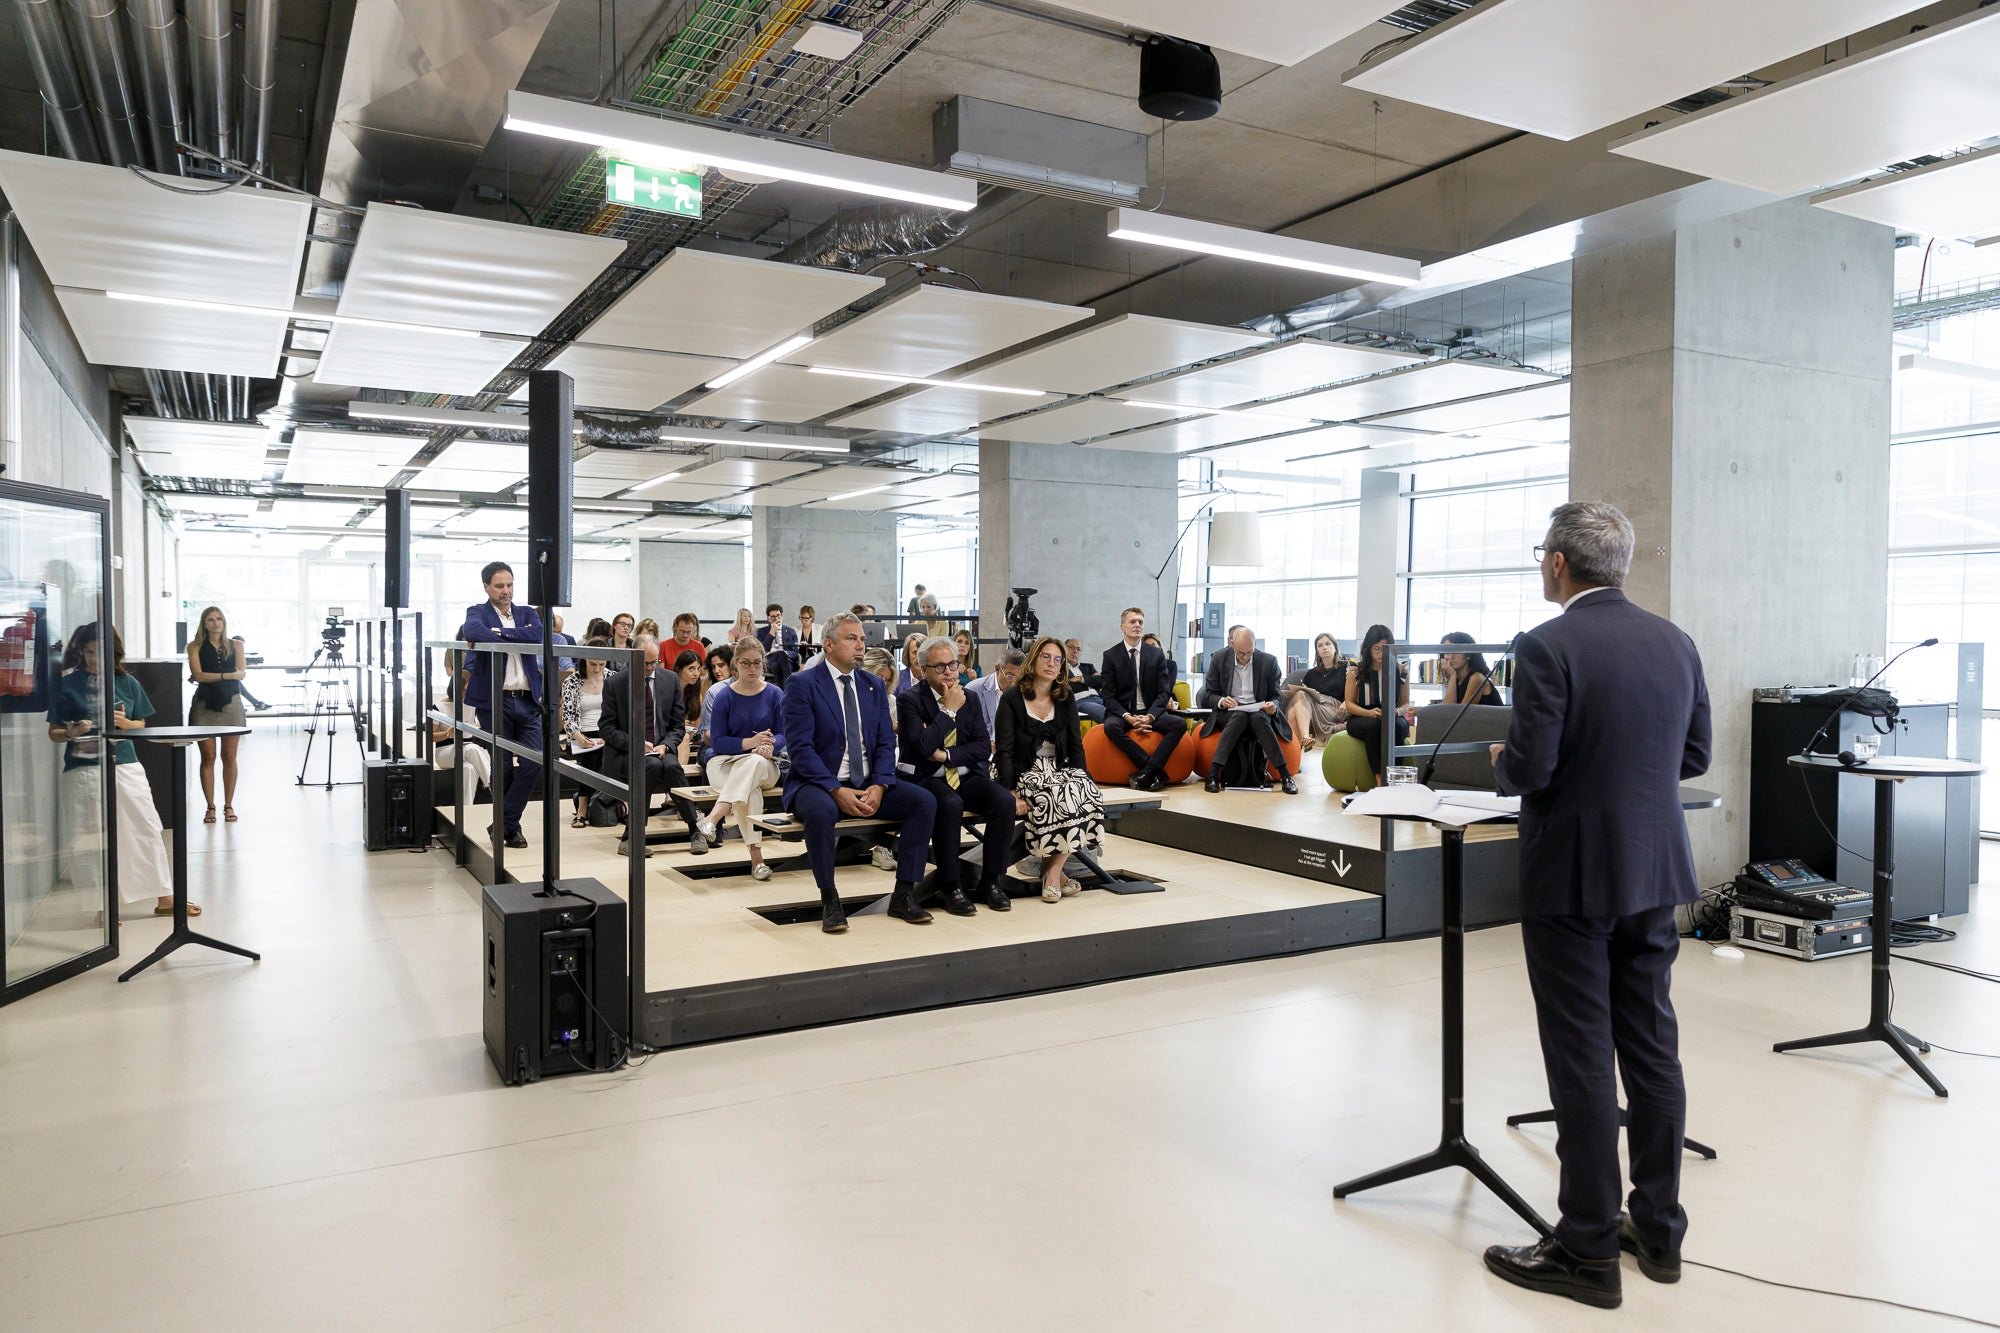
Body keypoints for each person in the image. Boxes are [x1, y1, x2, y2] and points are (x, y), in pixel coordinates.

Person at [1481, 501, 1711, 1310]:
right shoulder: (1673, 641)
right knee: (1652, 1047)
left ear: (1557, 564)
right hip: (1654, 872)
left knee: (1580, 1055)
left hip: (1573, 876)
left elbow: (1533, 766)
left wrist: (1501, 760)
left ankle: (1584, 1246)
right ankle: (1658, 1228)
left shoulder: (1547, 644)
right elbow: (1695, 752)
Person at [781, 611, 938, 934]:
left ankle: (904, 894)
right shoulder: (803, 684)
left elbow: (884, 741)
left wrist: (880, 785)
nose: (860, 646)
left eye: (863, 639)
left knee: (924, 802)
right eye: (851, 639)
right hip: (818, 783)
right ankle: (830, 899)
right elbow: (800, 750)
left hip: (868, 782)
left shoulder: (871, 685)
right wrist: (834, 789)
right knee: (823, 812)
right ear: (828, 644)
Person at [49, 623, 179, 917]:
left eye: (101, 652)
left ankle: (165, 897)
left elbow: (141, 724)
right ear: (80, 652)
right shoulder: (68, 684)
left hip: (125, 763)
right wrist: (71, 733)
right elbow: (54, 732)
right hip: (83, 767)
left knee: (145, 826)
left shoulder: (127, 682)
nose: (94, 659)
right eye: (89, 652)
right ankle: (102, 907)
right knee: (90, 836)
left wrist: (125, 724)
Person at [899, 635, 1014, 913]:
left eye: (952, 664)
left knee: (1004, 801)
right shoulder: (909, 700)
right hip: (927, 776)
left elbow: (981, 746)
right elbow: (922, 747)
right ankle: (951, 885)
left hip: (963, 773)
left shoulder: (970, 698)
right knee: (950, 804)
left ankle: (991, 882)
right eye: (939, 667)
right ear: (923, 669)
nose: (948, 672)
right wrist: (948, 710)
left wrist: (947, 754)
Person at [996, 635, 1103, 902]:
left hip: (1056, 767)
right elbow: (1005, 749)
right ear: (1034, 660)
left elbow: (1076, 745)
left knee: (1082, 790)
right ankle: (1055, 874)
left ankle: (1052, 870)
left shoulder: (1065, 697)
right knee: (1054, 794)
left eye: (1058, 659)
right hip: (1020, 769)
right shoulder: (1012, 698)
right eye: (1046, 657)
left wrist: (1084, 778)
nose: (1052, 664)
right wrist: (1010, 790)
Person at [458, 562, 543, 848]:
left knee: (534, 763)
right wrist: (507, 634)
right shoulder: (476, 612)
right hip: (495, 701)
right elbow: (472, 630)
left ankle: (503, 823)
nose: (506, 591)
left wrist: (499, 634)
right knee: (503, 765)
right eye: (499, 586)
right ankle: (513, 828)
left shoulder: (527, 613)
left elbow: (537, 635)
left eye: (509, 585)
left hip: (528, 701)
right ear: (486, 587)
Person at [600, 633, 708, 857]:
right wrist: (636, 744)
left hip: (660, 748)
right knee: (651, 767)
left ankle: (693, 830)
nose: (650, 667)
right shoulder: (615, 683)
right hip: (628, 751)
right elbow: (607, 729)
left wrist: (666, 746)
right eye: (645, 663)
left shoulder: (669, 680)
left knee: (671, 766)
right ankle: (632, 836)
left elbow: (678, 726)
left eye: (655, 662)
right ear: (633, 657)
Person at [698, 637, 784, 881]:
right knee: (750, 791)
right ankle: (757, 860)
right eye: (746, 663)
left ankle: (714, 816)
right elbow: (717, 741)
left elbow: (784, 733)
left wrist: (770, 746)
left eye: (757, 663)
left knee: (754, 764)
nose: (752, 669)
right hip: (725, 762)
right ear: (735, 664)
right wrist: (751, 743)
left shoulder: (774, 693)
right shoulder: (724, 696)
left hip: (765, 763)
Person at [1198, 624, 1297, 794]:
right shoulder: (1219, 658)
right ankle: (1213, 774)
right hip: (1229, 712)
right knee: (1239, 716)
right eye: (1240, 653)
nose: (1244, 657)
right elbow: (1210, 694)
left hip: (1259, 711)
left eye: (1249, 653)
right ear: (1232, 644)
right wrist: (1222, 700)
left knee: (1258, 718)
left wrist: (1273, 705)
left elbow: (1276, 695)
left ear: (1255, 644)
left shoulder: (1268, 661)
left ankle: (1285, 775)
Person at [1096, 607, 1186, 792]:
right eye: (1132, 622)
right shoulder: (1111, 655)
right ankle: (1154, 770)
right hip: (1123, 712)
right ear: (1122, 627)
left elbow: (1163, 692)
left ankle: (1148, 772)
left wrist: (1150, 717)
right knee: (1111, 727)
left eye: (1140, 622)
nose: (1137, 625)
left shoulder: (1156, 654)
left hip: (1150, 711)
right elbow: (1108, 696)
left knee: (1179, 724)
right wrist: (1128, 717)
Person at [186, 605, 248, 823]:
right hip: (204, 705)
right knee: (208, 757)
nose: (216, 623)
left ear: (224, 622)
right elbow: (198, 675)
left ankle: (228, 805)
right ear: (204, 623)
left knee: (229, 756)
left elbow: (241, 674)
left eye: (219, 618)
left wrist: (223, 676)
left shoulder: (236, 645)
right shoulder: (194, 646)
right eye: (211, 619)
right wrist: (226, 675)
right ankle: (210, 807)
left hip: (232, 703)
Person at [1344, 624, 1412, 780]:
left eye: (1385, 648)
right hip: (1361, 716)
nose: (1381, 653)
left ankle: (1395, 776)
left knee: (1396, 727)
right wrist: (1368, 713)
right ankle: (1380, 778)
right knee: (1375, 727)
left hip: (1391, 715)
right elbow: (1349, 704)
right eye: (1376, 649)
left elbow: (1405, 703)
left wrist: (1397, 712)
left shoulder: (1401, 670)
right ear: (1368, 648)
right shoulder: (1355, 670)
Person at [860, 645, 905, 872]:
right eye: (880, 677)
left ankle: (883, 844)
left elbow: (893, 735)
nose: (884, 684)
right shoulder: (854, 696)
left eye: (888, 680)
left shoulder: (890, 700)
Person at [561, 635, 609, 828]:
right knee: (591, 759)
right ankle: (582, 809)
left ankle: (614, 803)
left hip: (608, 731)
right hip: (584, 733)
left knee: (612, 755)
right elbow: (568, 716)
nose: (597, 669)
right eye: (592, 664)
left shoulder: (613, 678)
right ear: (584, 660)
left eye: (601, 664)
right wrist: (578, 736)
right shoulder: (572, 682)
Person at [1286, 633, 1349, 752]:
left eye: (1327, 644)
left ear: (1335, 647)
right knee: (1293, 713)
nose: (1324, 648)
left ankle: (1302, 743)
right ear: (1317, 651)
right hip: (1316, 705)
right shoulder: (1311, 674)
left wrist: (1347, 701)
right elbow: (1306, 697)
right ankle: (1296, 758)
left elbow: (1357, 690)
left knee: (1298, 697)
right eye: (1320, 646)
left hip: (1336, 709)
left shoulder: (1346, 667)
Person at [965, 647, 1025, 742]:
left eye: (1020, 678)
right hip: (983, 752)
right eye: (1010, 676)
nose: (1014, 683)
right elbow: (965, 732)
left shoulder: (1025, 691)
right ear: (997, 669)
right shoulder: (973, 690)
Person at [1440, 630, 1500, 705]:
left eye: (1456, 651)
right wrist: (1452, 676)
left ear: (1468, 655)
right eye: (1447, 652)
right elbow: (1445, 712)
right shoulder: (1457, 679)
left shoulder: (1477, 678)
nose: (1451, 657)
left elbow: (1458, 714)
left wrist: (1452, 676)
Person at [671, 648, 706, 767]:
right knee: (684, 737)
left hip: (690, 737)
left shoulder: (696, 696)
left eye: (698, 669)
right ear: (679, 669)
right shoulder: (667, 690)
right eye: (691, 669)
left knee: (686, 737)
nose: (696, 673)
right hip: (669, 734)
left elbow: (696, 725)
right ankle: (680, 775)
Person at [1063, 637, 1105, 723]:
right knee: (1107, 714)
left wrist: (1080, 679)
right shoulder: (1060, 668)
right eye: (1071, 647)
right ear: (1063, 649)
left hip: (1100, 699)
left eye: (1078, 649)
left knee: (1123, 710)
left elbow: (1102, 681)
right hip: (1081, 701)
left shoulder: (1088, 667)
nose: (1075, 651)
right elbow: (1066, 686)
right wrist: (1091, 681)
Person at [756, 603, 799, 679]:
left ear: (782, 616)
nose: (776, 619)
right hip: (770, 660)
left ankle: (782, 688)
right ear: (769, 619)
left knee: (778, 661)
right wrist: (771, 633)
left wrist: (784, 653)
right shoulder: (761, 631)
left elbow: (795, 652)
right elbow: (761, 650)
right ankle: (788, 685)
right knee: (776, 661)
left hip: (787, 660)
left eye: (778, 615)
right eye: (773, 617)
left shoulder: (791, 631)